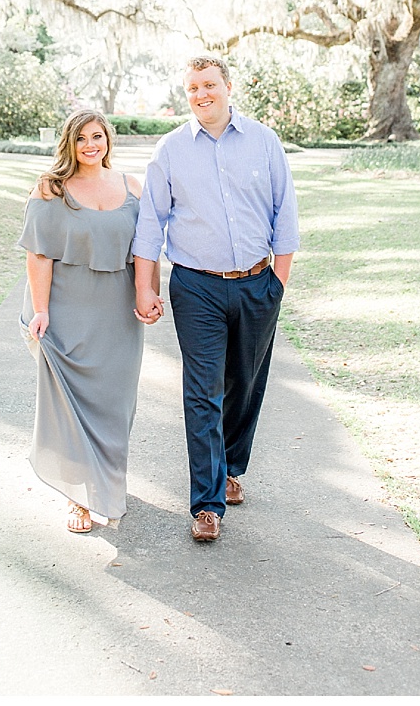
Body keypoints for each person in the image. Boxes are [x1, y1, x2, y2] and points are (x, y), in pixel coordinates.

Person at [133, 54, 299, 543]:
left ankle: (231, 467)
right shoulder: (169, 151)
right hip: (197, 287)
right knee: (203, 390)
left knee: (245, 383)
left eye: (209, 84)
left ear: (227, 86)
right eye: (192, 88)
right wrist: (147, 287)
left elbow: (284, 212)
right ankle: (207, 504)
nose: (201, 94)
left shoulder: (264, 142)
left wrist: (278, 284)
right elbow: (149, 224)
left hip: (257, 283)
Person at [19, 109, 147, 532]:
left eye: (97, 136)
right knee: (71, 405)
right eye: (81, 139)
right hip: (67, 310)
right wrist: (41, 310)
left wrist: (150, 292)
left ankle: (109, 484)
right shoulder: (50, 189)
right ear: (68, 144)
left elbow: (148, 247)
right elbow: (38, 253)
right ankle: (79, 497)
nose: (90, 145)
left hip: (117, 314)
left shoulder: (132, 186)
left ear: (108, 139)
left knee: (114, 404)